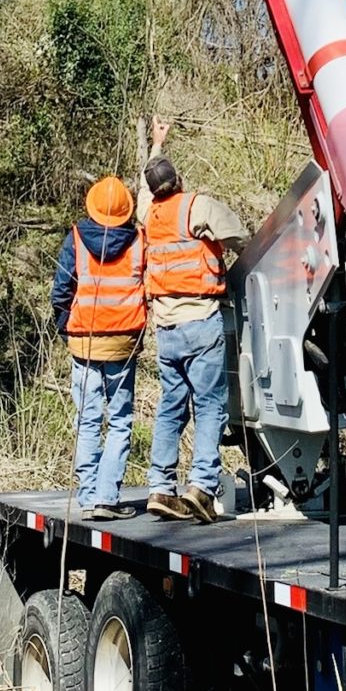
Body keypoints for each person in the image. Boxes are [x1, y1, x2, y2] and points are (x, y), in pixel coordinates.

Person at [139, 124, 248, 522]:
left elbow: (140, 192)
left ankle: (160, 489)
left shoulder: (147, 215)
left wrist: (156, 145)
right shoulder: (197, 207)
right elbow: (239, 235)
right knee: (210, 406)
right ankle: (202, 487)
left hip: (166, 329)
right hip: (200, 321)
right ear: (179, 181)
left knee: (170, 408)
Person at [51, 175, 143, 522]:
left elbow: (61, 292)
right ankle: (107, 497)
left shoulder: (75, 239)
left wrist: (67, 330)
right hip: (122, 345)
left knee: (88, 422)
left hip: (84, 343)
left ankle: (89, 498)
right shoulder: (139, 242)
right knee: (120, 421)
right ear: (126, 211)